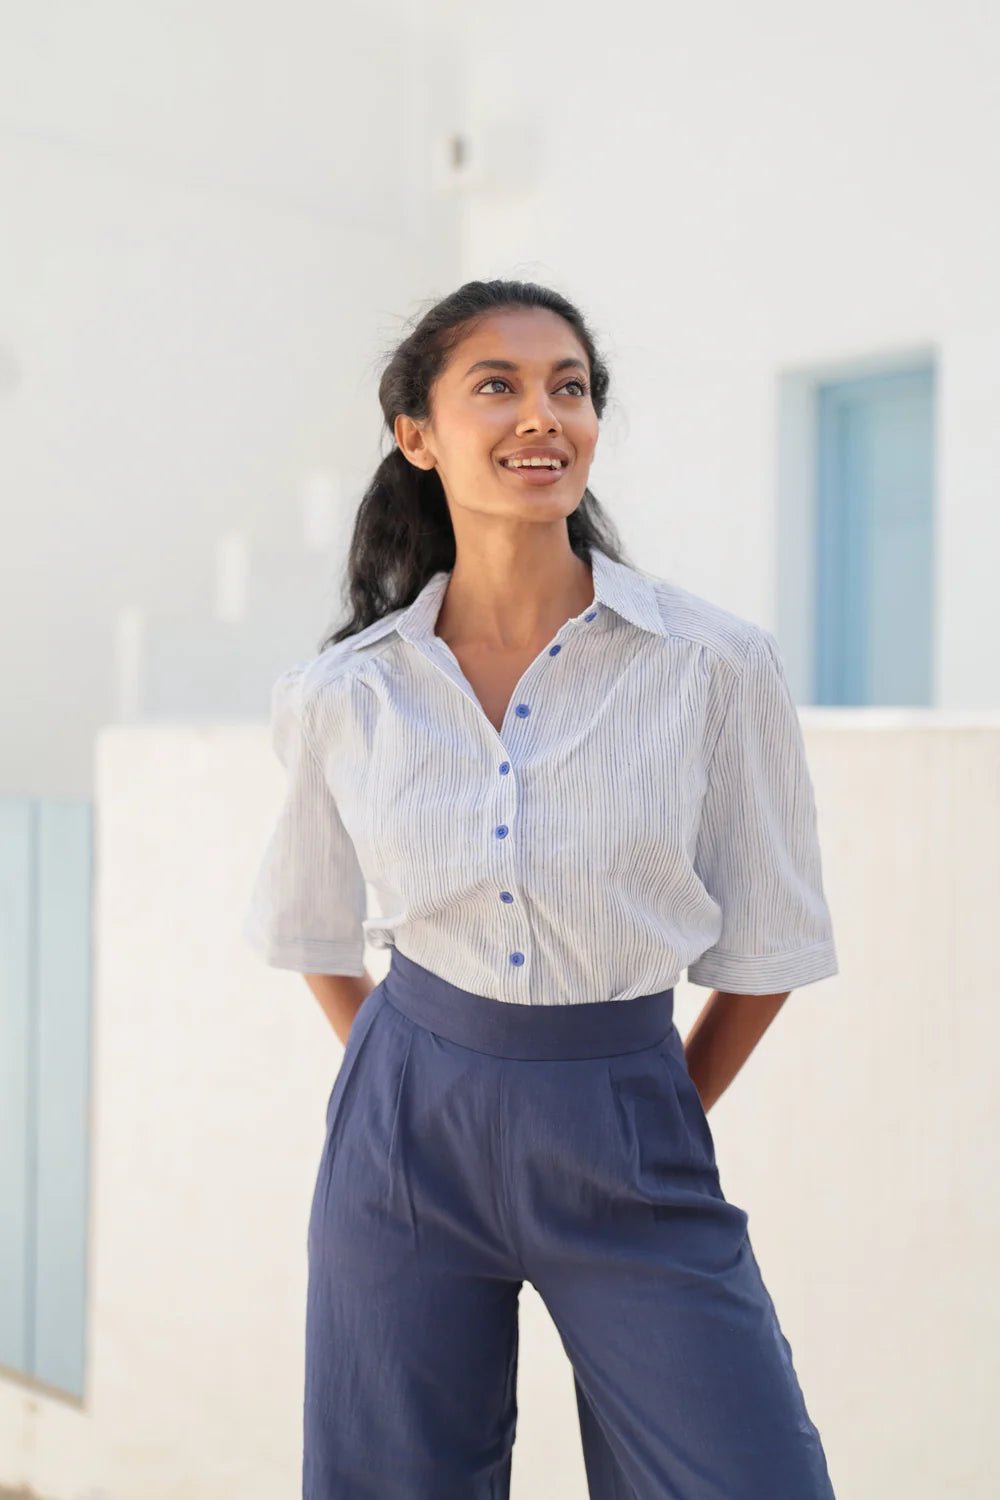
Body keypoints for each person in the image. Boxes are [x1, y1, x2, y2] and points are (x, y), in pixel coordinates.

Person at [243, 278, 840, 1499]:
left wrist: (642, 1103)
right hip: (403, 1134)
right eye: (499, 387)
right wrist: (414, 1081)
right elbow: (314, 925)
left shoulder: (711, 667)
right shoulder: (345, 694)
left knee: (747, 1475)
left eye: (569, 387)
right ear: (417, 436)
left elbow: (770, 944)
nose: (543, 415)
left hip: (627, 1119)